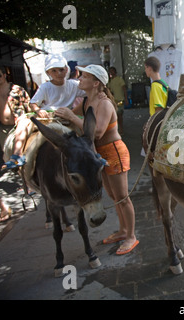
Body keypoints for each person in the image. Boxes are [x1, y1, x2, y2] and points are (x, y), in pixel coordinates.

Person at [55, 65, 139, 255]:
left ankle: (131, 236)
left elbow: (98, 132)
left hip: (114, 152)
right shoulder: (86, 102)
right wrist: (53, 114)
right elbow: (69, 117)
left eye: (84, 77)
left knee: (123, 197)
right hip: (99, 155)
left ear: (96, 83)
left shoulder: (105, 103)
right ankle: (123, 230)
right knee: (114, 196)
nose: (80, 80)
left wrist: (71, 116)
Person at [2, 54, 85, 169]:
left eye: (61, 69)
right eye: (54, 71)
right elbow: (33, 103)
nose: (58, 73)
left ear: (66, 69)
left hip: (66, 116)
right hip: (47, 116)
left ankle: (92, 153)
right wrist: (38, 110)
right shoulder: (45, 87)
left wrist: (76, 111)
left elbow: (88, 94)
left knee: (87, 127)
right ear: (48, 73)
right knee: (22, 123)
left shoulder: (73, 85)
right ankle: (17, 155)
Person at [0, 65, 30, 221]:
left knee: (22, 153)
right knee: (7, 157)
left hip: (19, 125)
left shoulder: (17, 90)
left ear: (4, 76)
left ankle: (28, 183)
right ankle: (23, 179)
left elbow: (28, 105)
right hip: (3, 129)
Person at [107, 67, 128, 134]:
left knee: (119, 114)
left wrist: (126, 98)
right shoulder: (110, 81)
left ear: (115, 72)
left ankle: (121, 128)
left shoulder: (119, 79)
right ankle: (117, 128)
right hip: (113, 101)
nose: (111, 73)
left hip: (120, 100)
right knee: (114, 115)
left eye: (112, 71)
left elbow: (124, 89)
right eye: (110, 71)